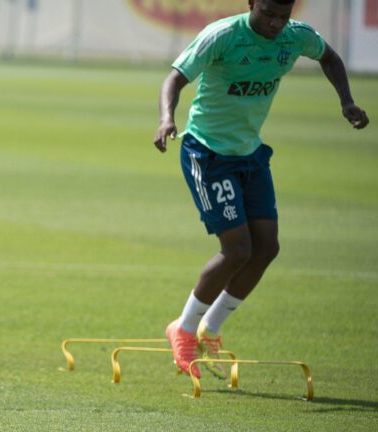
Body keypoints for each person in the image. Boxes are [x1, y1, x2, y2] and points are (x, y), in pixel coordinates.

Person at [154, 0, 369, 380]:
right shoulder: (222, 35)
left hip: (250, 155)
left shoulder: (294, 37)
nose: (274, 23)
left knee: (266, 247)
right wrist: (167, 118)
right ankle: (184, 329)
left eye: (283, 16)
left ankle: (211, 330)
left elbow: (330, 57)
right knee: (237, 248)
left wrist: (346, 100)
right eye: (268, 13)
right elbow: (175, 77)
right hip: (208, 153)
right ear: (251, 3)